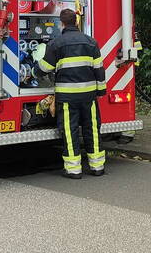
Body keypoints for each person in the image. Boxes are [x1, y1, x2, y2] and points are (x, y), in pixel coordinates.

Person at [37, 9, 108, 179]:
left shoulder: (56, 43)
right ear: (76, 22)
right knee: (92, 129)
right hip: (88, 96)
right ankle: (97, 166)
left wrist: (34, 71)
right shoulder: (91, 42)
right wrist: (100, 90)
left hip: (68, 97)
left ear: (61, 24)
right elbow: (99, 69)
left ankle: (73, 169)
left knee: (70, 131)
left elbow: (45, 68)